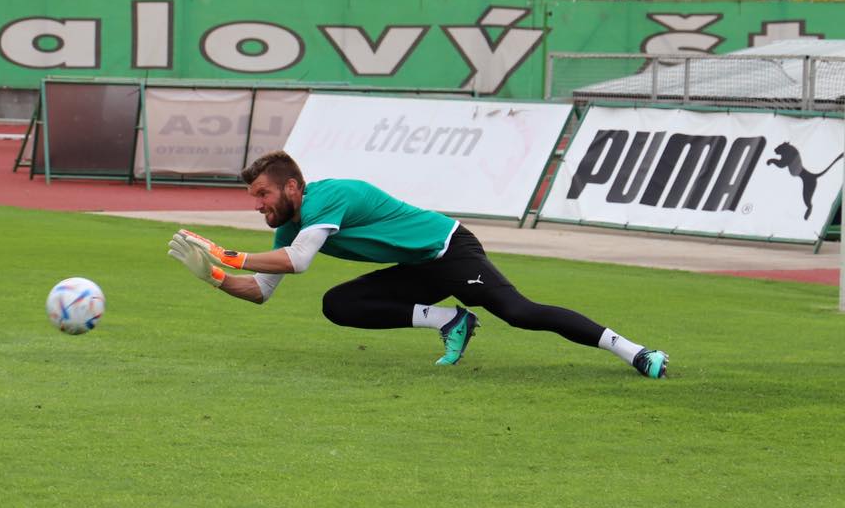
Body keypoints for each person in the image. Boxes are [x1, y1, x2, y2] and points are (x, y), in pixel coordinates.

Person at [166, 150, 669, 378]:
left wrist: (228, 254)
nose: (257, 205)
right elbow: (260, 291)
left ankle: (636, 352)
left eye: (262, 194)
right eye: (253, 197)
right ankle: (451, 320)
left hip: (449, 250)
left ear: (293, 187)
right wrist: (215, 276)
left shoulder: (329, 197)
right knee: (339, 304)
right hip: (417, 268)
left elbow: (298, 262)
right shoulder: (287, 229)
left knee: (520, 313)